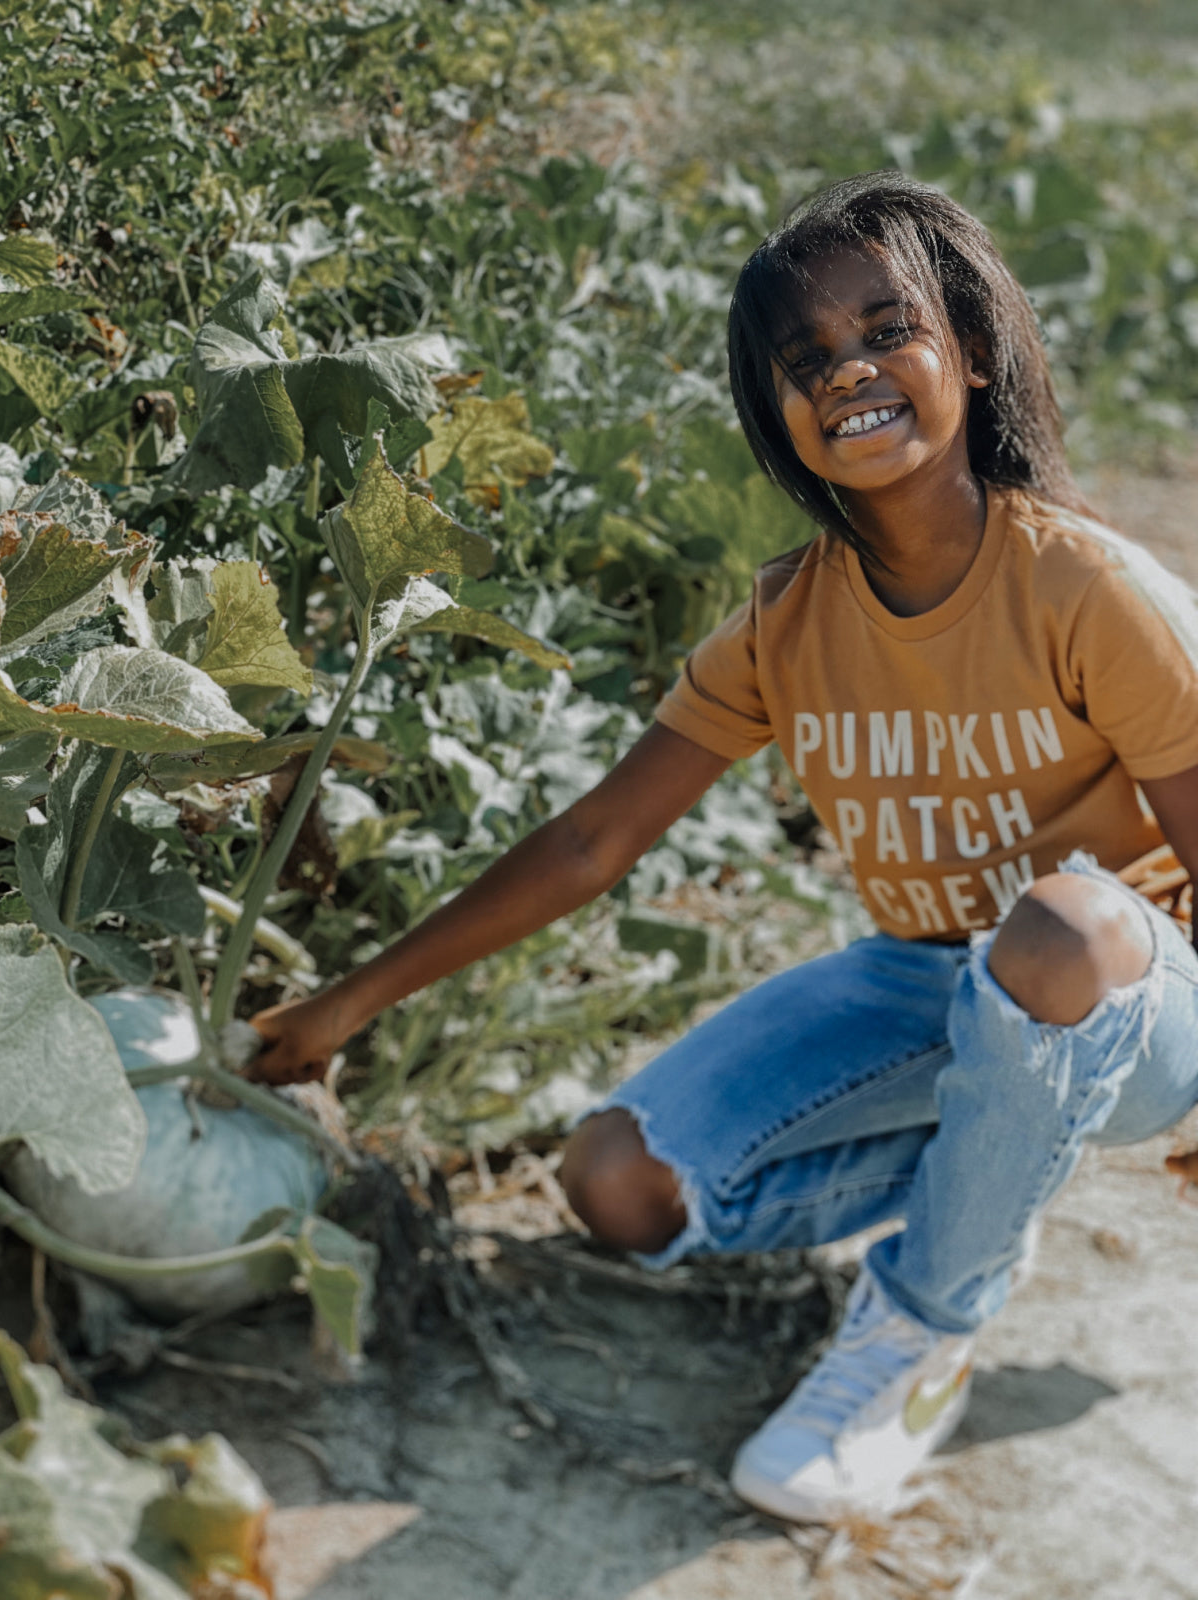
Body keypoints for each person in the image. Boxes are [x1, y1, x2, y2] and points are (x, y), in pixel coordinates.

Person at [250, 171, 1198, 1521]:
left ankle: (920, 1328)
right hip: (925, 985)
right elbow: (592, 843)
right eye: (805, 359)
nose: (849, 373)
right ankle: (992, 1175)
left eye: (887, 332)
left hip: (1139, 997)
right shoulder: (786, 624)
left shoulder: (1079, 584)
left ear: (972, 355)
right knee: (620, 1185)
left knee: (1057, 928)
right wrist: (343, 1007)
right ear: (778, 412)